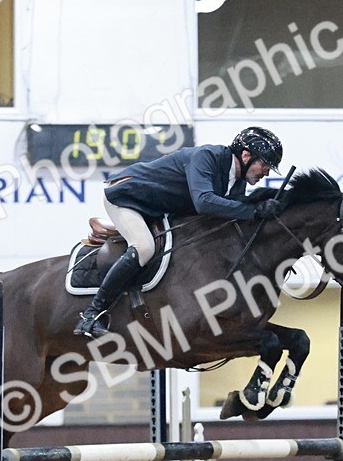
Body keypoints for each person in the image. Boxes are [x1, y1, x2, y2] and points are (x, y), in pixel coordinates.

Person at [73, 126, 285, 339]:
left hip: (158, 207)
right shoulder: (207, 157)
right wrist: (253, 210)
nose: (266, 173)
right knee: (144, 247)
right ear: (246, 155)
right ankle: (91, 315)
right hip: (127, 197)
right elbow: (203, 203)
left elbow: (231, 210)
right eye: (265, 165)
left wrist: (265, 204)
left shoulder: (237, 182)